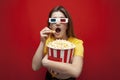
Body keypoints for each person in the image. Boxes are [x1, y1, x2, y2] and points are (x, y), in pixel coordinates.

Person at [32, 5, 84, 80]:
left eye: (62, 20)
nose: (57, 23)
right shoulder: (48, 41)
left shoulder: (76, 43)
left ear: (67, 25)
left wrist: (46, 62)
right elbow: (35, 67)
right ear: (50, 25)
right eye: (53, 20)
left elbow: (76, 71)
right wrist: (42, 42)